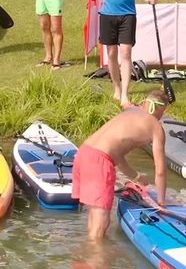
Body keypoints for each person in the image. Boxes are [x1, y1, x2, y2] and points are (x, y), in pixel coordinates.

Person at [71, 89, 169, 242]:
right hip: (99, 161)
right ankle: (96, 259)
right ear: (160, 109)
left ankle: (88, 258)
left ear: (144, 103)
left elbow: (115, 154)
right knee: (101, 222)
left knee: (94, 216)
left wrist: (136, 176)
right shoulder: (156, 128)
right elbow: (161, 170)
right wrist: (161, 202)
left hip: (83, 153)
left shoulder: (131, 111)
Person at [89, 0, 153, 106]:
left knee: (125, 53)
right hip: (108, 14)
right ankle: (116, 88)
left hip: (127, 15)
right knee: (111, 53)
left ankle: (125, 93)